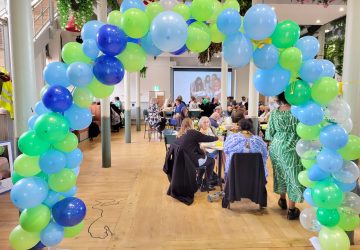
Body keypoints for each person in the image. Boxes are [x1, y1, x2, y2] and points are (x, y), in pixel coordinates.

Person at [266, 92, 304, 220]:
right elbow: (302, 132)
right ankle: (291, 209)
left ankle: (282, 200)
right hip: (292, 147)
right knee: (292, 177)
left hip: (276, 146)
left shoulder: (275, 112)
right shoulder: (297, 112)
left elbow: (269, 133)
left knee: (280, 173)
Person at [175, 118, 218, 191]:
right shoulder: (192, 132)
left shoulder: (180, 134)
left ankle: (199, 182)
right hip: (192, 161)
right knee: (211, 161)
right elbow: (207, 138)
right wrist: (217, 138)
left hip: (182, 161)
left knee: (204, 159)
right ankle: (205, 185)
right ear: (191, 124)